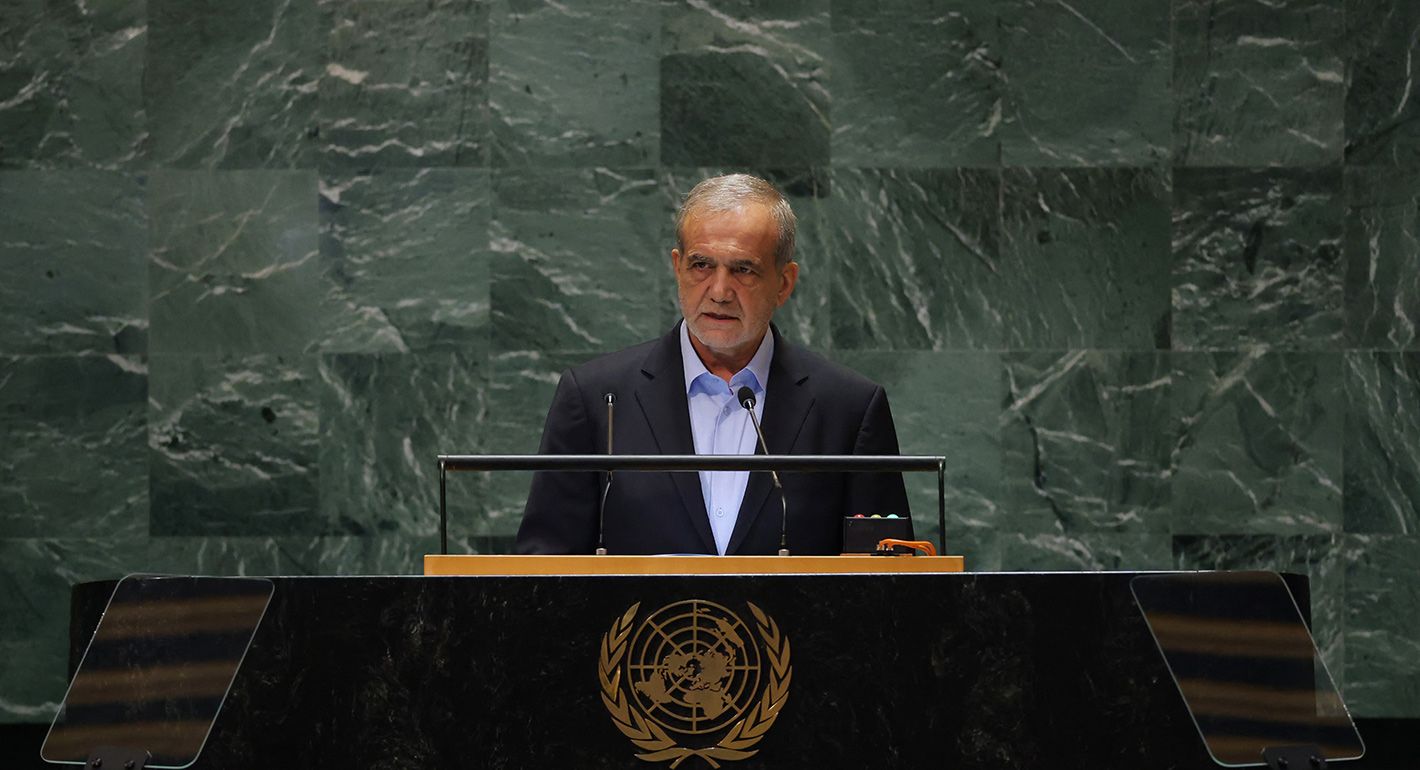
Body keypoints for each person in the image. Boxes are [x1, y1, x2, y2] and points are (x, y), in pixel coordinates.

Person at [514, 173, 910, 555]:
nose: (719, 292)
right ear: (677, 268)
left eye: (743, 269)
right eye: (702, 265)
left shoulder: (848, 409)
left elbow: (886, 583)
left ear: (784, 283)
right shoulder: (595, 400)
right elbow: (543, 570)